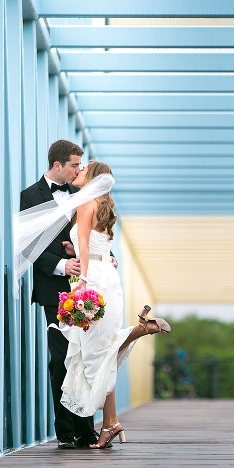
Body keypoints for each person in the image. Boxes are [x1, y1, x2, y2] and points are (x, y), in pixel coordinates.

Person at [60, 160, 171, 449]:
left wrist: (82, 279)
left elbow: (85, 245)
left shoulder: (85, 204)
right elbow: (98, 245)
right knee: (102, 351)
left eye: (83, 170)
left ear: (93, 178)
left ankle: (139, 329)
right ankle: (111, 423)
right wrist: (76, 252)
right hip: (108, 275)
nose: (78, 172)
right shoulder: (104, 206)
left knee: (97, 353)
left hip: (93, 279)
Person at [17, 139, 102, 449]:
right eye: (75, 165)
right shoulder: (30, 196)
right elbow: (28, 245)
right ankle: (66, 431)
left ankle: (87, 429)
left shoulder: (82, 194)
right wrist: (63, 265)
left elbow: (93, 236)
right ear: (57, 165)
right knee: (61, 360)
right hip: (54, 290)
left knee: (85, 357)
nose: (79, 170)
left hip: (87, 290)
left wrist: (107, 257)